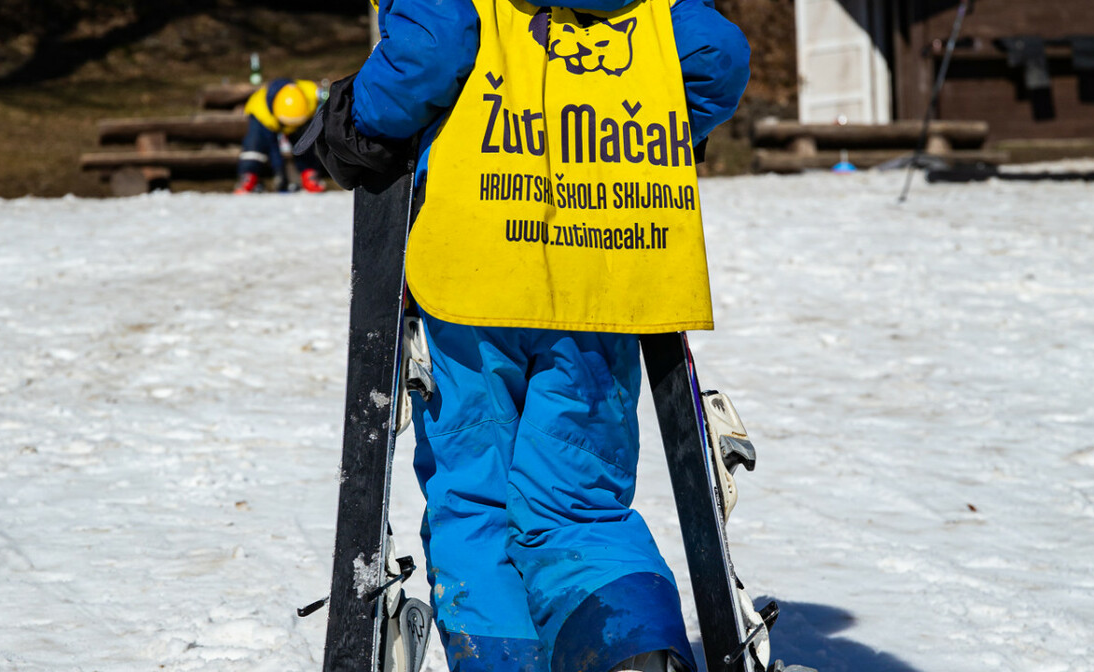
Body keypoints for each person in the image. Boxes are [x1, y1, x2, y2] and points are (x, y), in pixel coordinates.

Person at [303, 0, 749, 670]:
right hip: (600, 271)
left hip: (477, 275)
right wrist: (642, 124)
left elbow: (434, 45)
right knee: (581, 503)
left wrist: (358, 120)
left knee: (475, 496)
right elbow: (718, 57)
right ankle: (628, 650)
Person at [234, 78, 328, 193]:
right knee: (254, 144)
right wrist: (280, 173)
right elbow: (274, 147)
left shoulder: (311, 94)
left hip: (302, 120)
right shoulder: (262, 113)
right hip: (265, 119)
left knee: (305, 141)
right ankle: (248, 176)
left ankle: (309, 174)